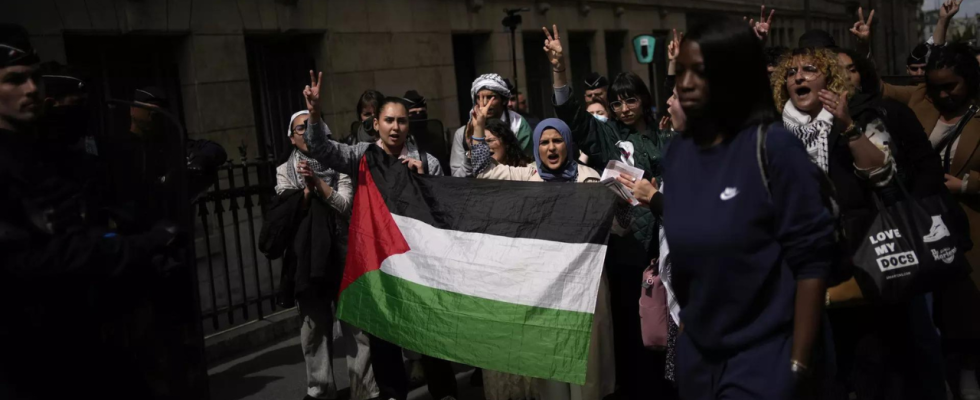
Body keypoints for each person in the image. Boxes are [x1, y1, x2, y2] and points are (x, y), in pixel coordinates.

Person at [0, 23, 184, 399]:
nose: (31, 90)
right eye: (15, 80)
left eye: (35, 78)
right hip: (27, 348)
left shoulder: (41, 155)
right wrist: (137, 246)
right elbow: (41, 256)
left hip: (83, 331)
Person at [665, 19, 835, 399]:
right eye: (681, 72)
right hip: (699, 362)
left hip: (764, 361)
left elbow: (812, 260)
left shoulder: (773, 149)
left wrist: (798, 364)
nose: (685, 83)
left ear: (734, 75)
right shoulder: (678, 152)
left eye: (701, 73)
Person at [774, 45, 950, 399]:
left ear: (830, 79)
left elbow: (886, 176)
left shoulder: (859, 115)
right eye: (792, 73)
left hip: (862, 259)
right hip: (804, 263)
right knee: (824, 369)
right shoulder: (777, 132)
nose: (799, 77)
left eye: (810, 69)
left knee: (874, 364)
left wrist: (849, 128)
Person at [299, 71, 454, 400]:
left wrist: (424, 182)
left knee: (429, 336)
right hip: (380, 268)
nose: (395, 127)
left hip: (418, 267)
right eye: (388, 120)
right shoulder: (361, 156)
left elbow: (445, 211)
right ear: (377, 125)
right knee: (384, 344)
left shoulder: (427, 162)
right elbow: (322, 149)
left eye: (401, 121)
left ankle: (444, 392)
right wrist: (314, 112)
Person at [543, 24, 673, 399]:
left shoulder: (666, 137)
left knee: (665, 327)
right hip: (626, 252)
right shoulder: (607, 136)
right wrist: (559, 68)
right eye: (616, 103)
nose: (623, 108)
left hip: (666, 247)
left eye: (630, 100)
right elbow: (573, 114)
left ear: (643, 99)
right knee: (631, 333)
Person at [468, 103, 614, 400]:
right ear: (536, 146)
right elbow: (484, 172)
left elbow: (619, 228)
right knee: (551, 375)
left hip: (585, 292)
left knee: (586, 378)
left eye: (557, 140)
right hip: (545, 291)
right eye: (544, 142)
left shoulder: (591, 178)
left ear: (568, 143)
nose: (551, 147)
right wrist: (480, 128)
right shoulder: (527, 178)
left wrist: (621, 202)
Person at [271, 109, 357, 400]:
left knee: (355, 326)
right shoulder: (285, 171)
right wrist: (305, 194)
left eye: (311, 128)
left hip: (343, 254)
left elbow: (345, 206)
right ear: (292, 139)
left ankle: (365, 389)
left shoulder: (341, 165)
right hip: (308, 259)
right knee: (313, 327)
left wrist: (319, 186)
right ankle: (319, 389)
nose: (306, 133)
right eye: (299, 129)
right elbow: (287, 215)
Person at [450, 73, 533, 177]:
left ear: (503, 100)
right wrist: (470, 155)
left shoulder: (518, 126)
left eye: (490, 97)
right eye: (479, 98)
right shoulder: (463, 133)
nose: (484, 103)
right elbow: (457, 177)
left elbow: (527, 167)